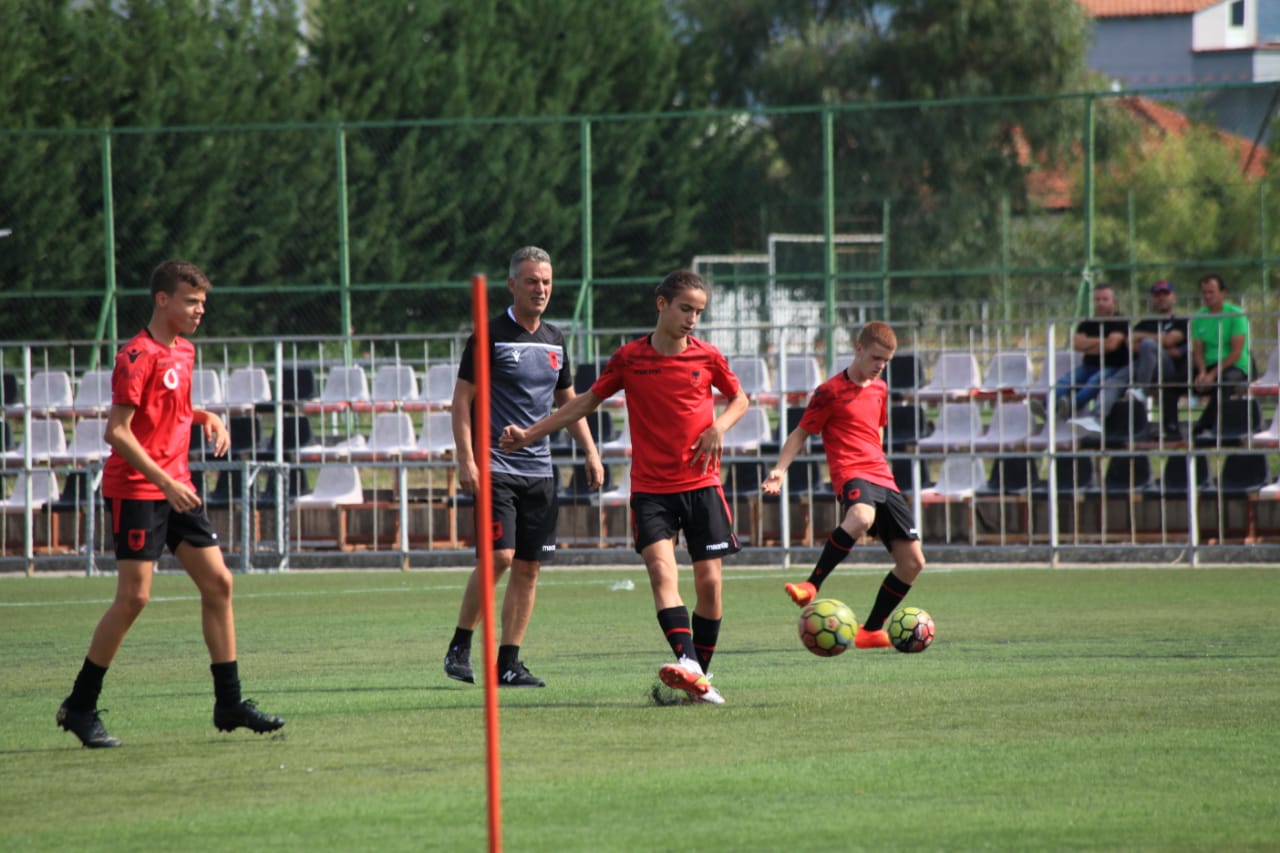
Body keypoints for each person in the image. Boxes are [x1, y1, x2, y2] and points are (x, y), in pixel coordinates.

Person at [56, 260, 284, 748]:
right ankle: (79, 706)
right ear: (163, 300)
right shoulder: (135, 356)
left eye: (203, 302)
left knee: (219, 582)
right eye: (190, 301)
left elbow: (171, 411)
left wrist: (207, 417)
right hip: (141, 490)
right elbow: (117, 432)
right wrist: (163, 480)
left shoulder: (184, 351)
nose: (200, 310)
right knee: (134, 598)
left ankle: (229, 703)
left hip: (176, 486)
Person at [500, 270, 748, 705]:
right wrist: (530, 434)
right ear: (662, 304)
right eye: (685, 308)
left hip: (702, 483)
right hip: (651, 489)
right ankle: (688, 664)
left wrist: (719, 426)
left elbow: (740, 398)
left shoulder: (707, 357)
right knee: (660, 570)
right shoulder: (630, 358)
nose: (692, 319)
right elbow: (583, 402)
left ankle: (699, 675)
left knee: (709, 585)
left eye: (699, 312)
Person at [443, 246, 603, 688]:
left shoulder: (555, 338)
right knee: (500, 556)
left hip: (541, 472)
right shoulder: (489, 335)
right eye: (532, 281)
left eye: (547, 282)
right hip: (495, 466)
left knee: (530, 567)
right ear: (513, 284)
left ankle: (509, 662)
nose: (541, 289)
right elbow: (461, 401)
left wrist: (590, 451)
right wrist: (465, 458)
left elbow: (568, 403)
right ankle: (460, 643)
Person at [761, 321, 926, 649]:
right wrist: (779, 470)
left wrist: (878, 459)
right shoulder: (829, 392)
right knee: (861, 517)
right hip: (852, 473)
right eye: (876, 357)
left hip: (883, 477)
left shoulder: (880, 389)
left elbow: (877, 429)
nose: (880, 365)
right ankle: (811, 585)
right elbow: (801, 432)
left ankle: (870, 630)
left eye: (887, 361)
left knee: (913, 563)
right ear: (859, 348)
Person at [1052, 282, 1132, 424]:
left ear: (1114, 302)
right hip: (1089, 365)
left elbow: (1112, 345)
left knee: (1094, 381)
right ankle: (1047, 407)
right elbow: (1076, 344)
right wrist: (1103, 341)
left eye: (1105, 299)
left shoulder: (1121, 322)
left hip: (1112, 367)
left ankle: (1071, 406)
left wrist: (1088, 343)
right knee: (1065, 381)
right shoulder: (1087, 323)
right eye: (1097, 299)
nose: (1100, 303)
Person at [1190, 273, 1252, 437]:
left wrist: (1212, 374)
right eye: (1204, 292)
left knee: (1222, 382)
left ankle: (1205, 426)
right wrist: (1202, 372)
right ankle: (1170, 429)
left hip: (1234, 365)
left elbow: (1237, 352)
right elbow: (1197, 349)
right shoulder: (1199, 317)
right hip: (1209, 365)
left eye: (1211, 292)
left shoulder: (1235, 314)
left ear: (1223, 293)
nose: (1207, 296)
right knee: (1173, 381)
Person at [1131, 280, 1191, 441]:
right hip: (1147, 368)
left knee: (1148, 346)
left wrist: (1147, 342)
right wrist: (1159, 342)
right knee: (1117, 376)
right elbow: (1130, 344)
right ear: (1152, 299)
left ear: (1174, 297)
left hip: (1171, 371)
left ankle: (1141, 391)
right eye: (1157, 295)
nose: (1161, 298)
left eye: (1166, 294)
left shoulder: (1182, 321)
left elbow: (1173, 345)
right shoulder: (1146, 322)